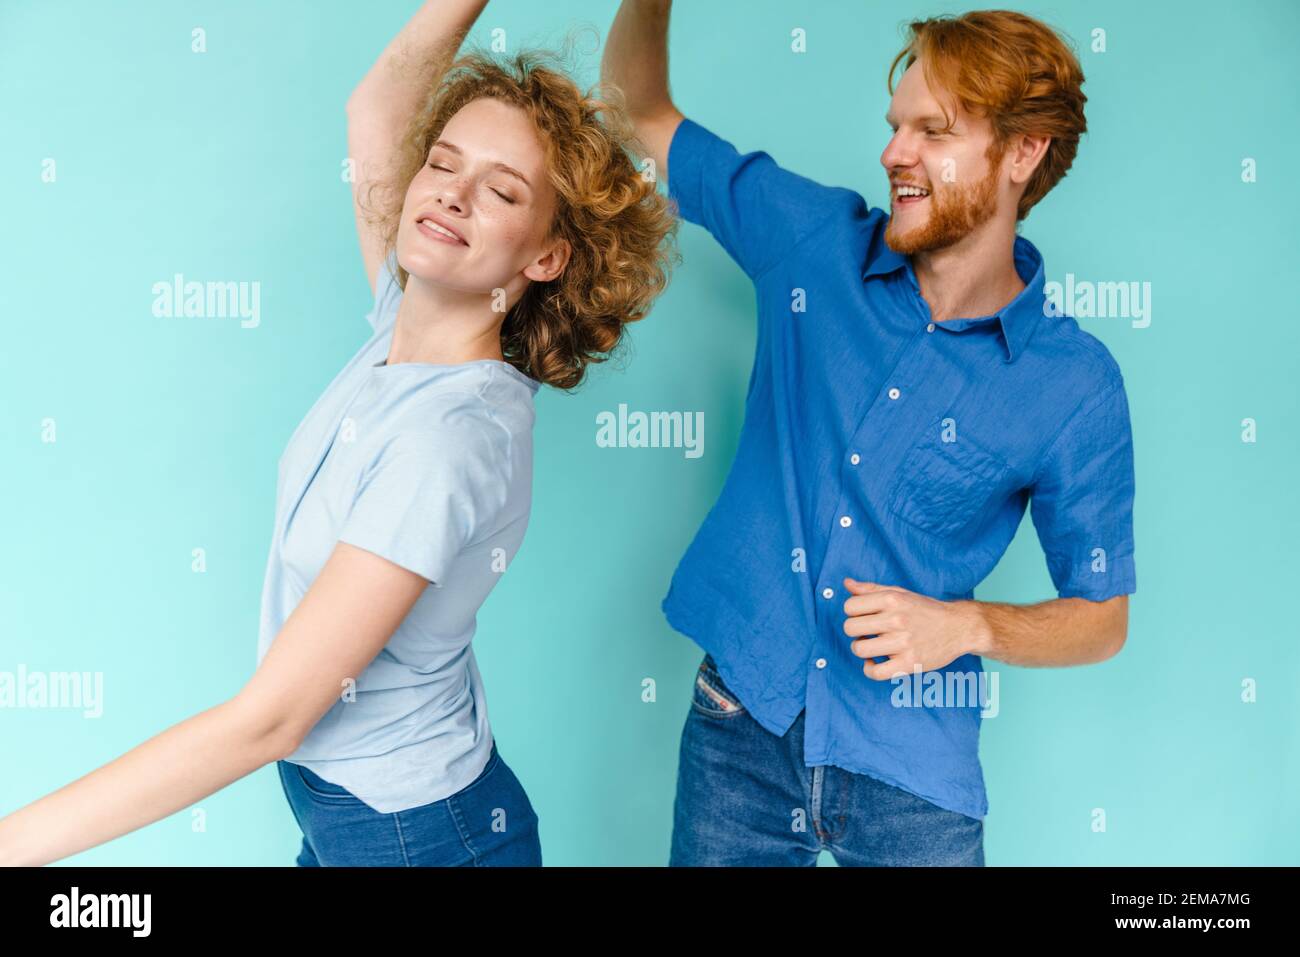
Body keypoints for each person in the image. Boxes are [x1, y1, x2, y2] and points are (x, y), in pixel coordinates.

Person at [0, 0, 676, 867]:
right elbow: (378, 109)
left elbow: (272, 718)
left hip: (415, 838)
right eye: (443, 162)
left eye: (503, 191)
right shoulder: (405, 324)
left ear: (544, 258)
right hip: (361, 808)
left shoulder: (448, 442)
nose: (451, 194)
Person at [603, 3, 1135, 866]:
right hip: (741, 725)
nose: (894, 153)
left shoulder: (1073, 384)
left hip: (911, 770)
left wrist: (969, 626)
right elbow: (640, 110)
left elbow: (1102, 618)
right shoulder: (810, 242)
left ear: (1022, 154)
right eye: (897, 128)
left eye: (934, 131)